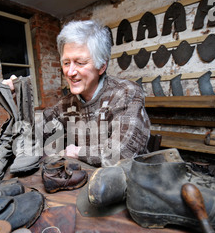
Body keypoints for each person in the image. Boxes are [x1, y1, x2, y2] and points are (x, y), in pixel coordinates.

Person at [42, 20, 151, 167]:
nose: (70, 72)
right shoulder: (64, 105)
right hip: (86, 180)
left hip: (128, 182)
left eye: (80, 62)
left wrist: (77, 152)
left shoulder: (126, 94)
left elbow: (122, 153)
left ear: (101, 66)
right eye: (66, 63)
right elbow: (34, 135)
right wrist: (17, 98)